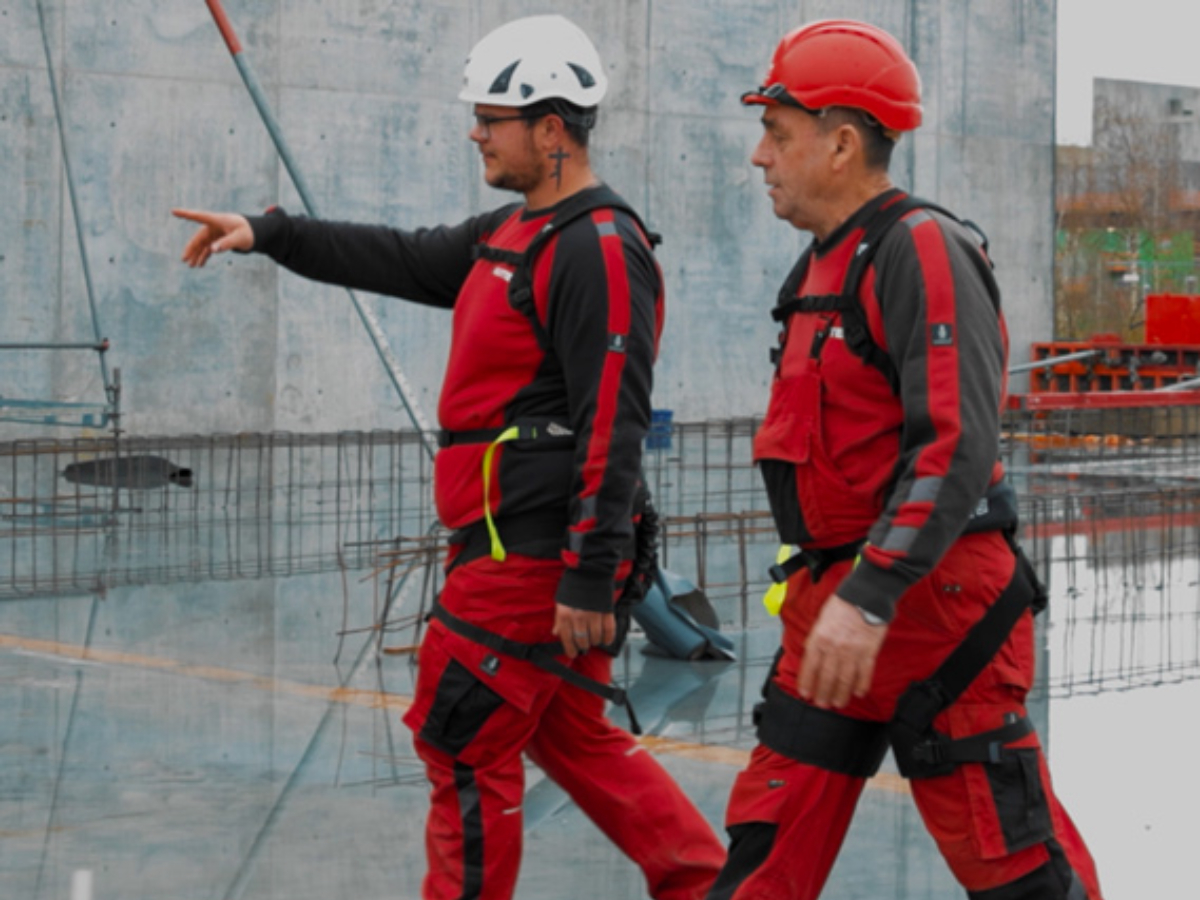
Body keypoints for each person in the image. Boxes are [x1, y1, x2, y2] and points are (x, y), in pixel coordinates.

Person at [174, 14, 724, 900]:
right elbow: (394, 254)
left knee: (462, 739)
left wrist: (591, 575)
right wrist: (269, 231)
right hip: (502, 544)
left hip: (529, 561)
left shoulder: (601, 249)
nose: (475, 131)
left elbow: (614, 425)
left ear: (551, 131)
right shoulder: (512, 233)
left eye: (491, 118)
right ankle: (704, 883)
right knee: (574, 736)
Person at [706, 19, 1104, 900]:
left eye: (776, 133)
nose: (758, 157)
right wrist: (846, 599)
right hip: (835, 613)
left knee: (1013, 870)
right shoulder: (816, 268)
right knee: (763, 856)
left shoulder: (920, 247)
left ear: (842, 143)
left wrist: (874, 590)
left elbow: (957, 444)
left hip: (935, 610)